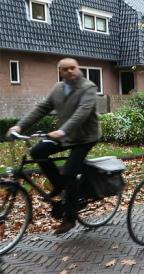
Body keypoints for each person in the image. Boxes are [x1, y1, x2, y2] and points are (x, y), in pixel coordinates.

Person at [6, 58, 99, 234]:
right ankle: (59, 184)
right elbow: (42, 108)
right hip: (65, 135)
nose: (70, 71)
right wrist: (19, 126)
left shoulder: (88, 87)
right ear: (60, 72)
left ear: (78, 69)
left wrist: (62, 131)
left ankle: (69, 218)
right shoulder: (58, 88)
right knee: (37, 151)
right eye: (65, 69)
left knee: (70, 171)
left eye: (73, 68)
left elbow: (82, 113)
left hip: (85, 137)